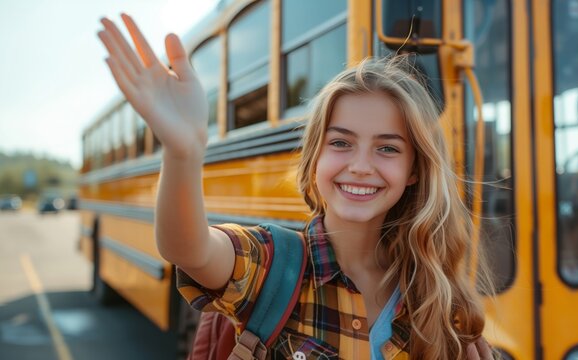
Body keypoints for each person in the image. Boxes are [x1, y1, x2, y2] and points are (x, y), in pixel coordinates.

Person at [97, 13, 494, 360]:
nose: (360, 166)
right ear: (315, 158)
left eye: (387, 148)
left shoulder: (435, 297)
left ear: (414, 169)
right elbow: (189, 249)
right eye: (341, 143)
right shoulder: (273, 265)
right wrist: (183, 152)